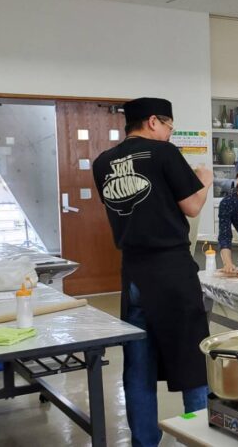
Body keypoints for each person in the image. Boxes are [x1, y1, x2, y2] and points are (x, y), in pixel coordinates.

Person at [92, 97, 213, 446]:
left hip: (133, 271)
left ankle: (144, 441)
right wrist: (204, 180)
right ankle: (199, 437)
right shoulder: (164, 153)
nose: (170, 133)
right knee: (190, 359)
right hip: (171, 268)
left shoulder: (102, 162)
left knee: (138, 365)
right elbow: (192, 206)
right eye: (169, 126)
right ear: (153, 121)